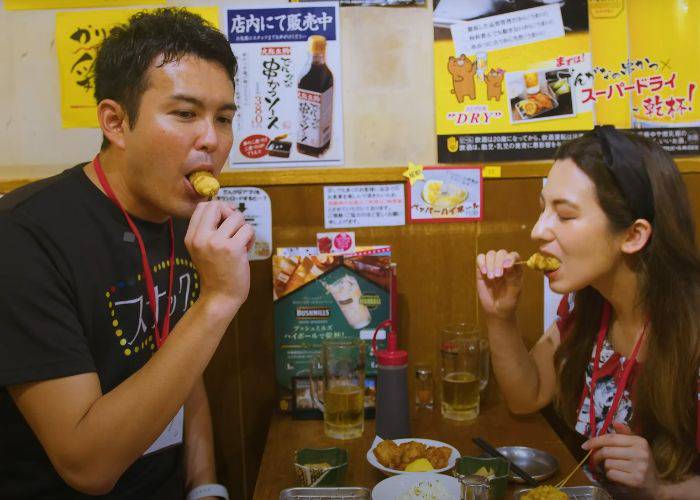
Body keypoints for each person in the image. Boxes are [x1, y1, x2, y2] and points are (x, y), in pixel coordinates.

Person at [0, 8, 253, 499]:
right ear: (115, 121)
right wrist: (218, 301)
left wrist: (205, 488)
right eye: (185, 113)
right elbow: (87, 467)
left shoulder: (186, 215)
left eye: (223, 118)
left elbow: (182, 362)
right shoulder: (23, 235)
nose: (212, 139)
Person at [476, 126, 700, 498]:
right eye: (543, 208)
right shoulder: (588, 302)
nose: (537, 231)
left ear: (632, 235)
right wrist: (501, 316)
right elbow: (526, 395)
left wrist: (660, 488)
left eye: (564, 215)